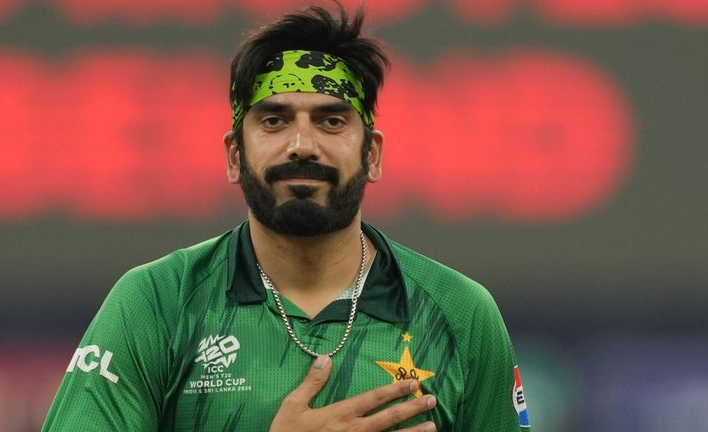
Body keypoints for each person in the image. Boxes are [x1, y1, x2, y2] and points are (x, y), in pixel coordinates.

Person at [42, 2, 530, 431]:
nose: (302, 145)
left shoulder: (460, 314)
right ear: (235, 155)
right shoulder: (157, 304)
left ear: (372, 154)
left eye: (331, 120)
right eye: (274, 120)